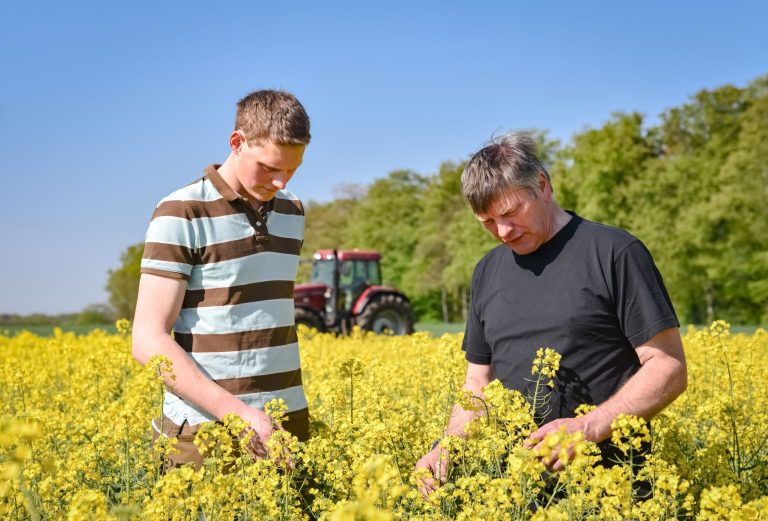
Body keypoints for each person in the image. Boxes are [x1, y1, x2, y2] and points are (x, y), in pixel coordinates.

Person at [415, 131, 687, 494]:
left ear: (542, 186)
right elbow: (477, 385)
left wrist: (589, 428)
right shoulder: (486, 271)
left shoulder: (614, 252)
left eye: (511, 213)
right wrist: (446, 447)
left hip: (611, 492)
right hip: (514, 493)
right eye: (487, 222)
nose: (503, 231)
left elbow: (669, 366)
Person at [132, 89, 311, 470]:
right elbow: (147, 341)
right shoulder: (181, 212)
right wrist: (239, 414)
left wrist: (271, 417)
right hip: (204, 429)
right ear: (237, 142)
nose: (280, 182)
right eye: (268, 167)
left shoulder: (293, 212)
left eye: (291, 169)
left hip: (286, 422)